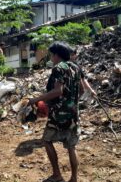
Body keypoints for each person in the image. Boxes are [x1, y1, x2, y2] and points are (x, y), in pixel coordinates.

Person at [28, 42, 82, 182]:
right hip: (73, 114)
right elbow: (81, 90)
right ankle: (74, 178)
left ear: (57, 55)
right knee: (71, 146)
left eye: (52, 55)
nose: (51, 58)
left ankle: (57, 175)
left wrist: (36, 99)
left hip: (58, 114)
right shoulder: (76, 67)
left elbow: (58, 91)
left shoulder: (59, 68)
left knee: (47, 140)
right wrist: (72, 102)